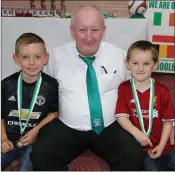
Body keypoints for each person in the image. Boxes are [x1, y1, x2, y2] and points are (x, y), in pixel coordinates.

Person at [30, 5, 145, 171]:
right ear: (72, 30)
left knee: (133, 155)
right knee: (41, 155)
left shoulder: (120, 56)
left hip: (109, 126)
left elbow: (139, 90)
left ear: (104, 30)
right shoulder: (56, 56)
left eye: (95, 29)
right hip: (67, 125)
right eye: (82, 29)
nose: (89, 37)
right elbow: (41, 89)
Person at [1, 32, 59, 171]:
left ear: (45, 59)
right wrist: (3, 139)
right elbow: (1, 116)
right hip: (9, 140)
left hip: (35, 141)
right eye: (25, 57)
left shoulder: (51, 85)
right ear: (16, 59)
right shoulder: (6, 84)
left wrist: (36, 131)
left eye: (37, 57)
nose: (32, 63)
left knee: (26, 168)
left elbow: (54, 113)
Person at [115, 40, 175, 170]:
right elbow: (121, 116)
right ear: (127, 64)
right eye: (135, 63)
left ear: (155, 65)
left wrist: (162, 144)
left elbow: (168, 121)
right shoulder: (124, 88)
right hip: (140, 149)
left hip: (164, 146)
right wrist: (137, 134)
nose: (140, 69)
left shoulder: (162, 90)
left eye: (146, 64)